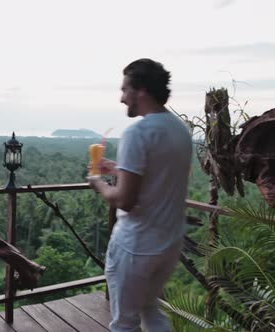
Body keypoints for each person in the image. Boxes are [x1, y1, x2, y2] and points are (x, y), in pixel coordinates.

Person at [88, 58, 192, 332]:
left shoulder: (138, 132)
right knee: (150, 310)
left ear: (141, 90)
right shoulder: (180, 130)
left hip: (137, 245)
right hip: (169, 241)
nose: (122, 99)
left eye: (125, 90)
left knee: (124, 323)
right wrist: (120, 169)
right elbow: (158, 177)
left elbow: (124, 200)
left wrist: (98, 181)